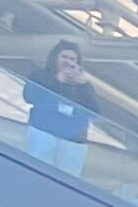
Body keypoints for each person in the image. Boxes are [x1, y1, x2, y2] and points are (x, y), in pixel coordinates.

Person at [17, 40, 91, 175]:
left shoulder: (83, 85)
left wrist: (84, 86)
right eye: (64, 57)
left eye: (72, 59)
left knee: (68, 179)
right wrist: (57, 80)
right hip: (43, 132)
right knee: (37, 173)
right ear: (55, 57)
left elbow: (94, 112)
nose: (68, 62)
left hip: (73, 140)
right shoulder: (40, 75)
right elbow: (29, 96)